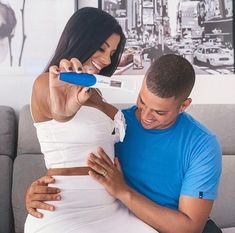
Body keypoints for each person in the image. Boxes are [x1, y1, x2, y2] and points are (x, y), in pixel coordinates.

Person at [26, 54, 222, 233]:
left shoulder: (202, 144)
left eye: (159, 112)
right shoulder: (116, 126)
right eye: (142, 101)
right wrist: (38, 192)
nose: (145, 116)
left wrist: (122, 191)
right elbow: (71, 158)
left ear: (184, 106)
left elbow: (189, 228)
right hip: (120, 222)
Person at [24, 6, 157, 233]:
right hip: (66, 210)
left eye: (112, 53)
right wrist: (65, 110)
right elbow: (60, 113)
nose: (106, 60)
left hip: (112, 209)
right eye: (101, 48)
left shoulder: (94, 92)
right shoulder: (47, 83)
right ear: (79, 39)